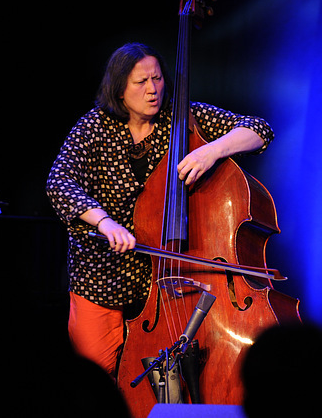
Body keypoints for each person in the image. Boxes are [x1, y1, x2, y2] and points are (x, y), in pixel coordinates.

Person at [45, 42, 274, 378]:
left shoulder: (183, 118)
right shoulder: (94, 127)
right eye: (141, 82)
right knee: (96, 377)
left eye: (157, 79)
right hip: (102, 276)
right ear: (119, 88)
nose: (152, 90)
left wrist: (212, 150)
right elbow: (59, 183)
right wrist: (104, 222)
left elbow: (259, 130)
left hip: (167, 280)